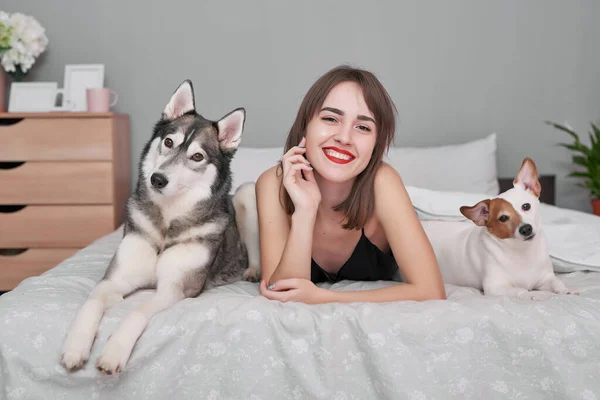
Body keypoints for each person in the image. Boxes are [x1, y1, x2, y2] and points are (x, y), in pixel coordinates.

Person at [255, 64, 446, 304]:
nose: (344, 138)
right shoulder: (272, 183)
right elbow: (280, 291)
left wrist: (324, 297)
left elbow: (431, 290)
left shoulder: (383, 182)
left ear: (377, 144)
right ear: (305, 125)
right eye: (330, 118)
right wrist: (304, 211)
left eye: (363, 127)